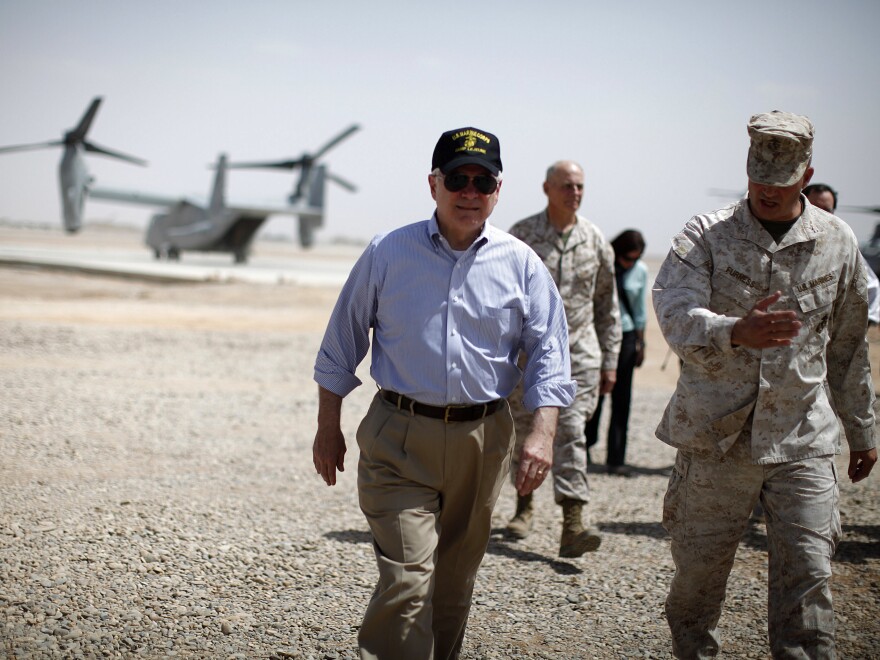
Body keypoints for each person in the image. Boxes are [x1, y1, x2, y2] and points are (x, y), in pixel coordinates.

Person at [312, 127, 576, 660]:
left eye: (483, 181)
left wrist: (542, 435)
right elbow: (342, 340)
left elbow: (550, 353)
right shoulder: (388, 252)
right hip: (398, 438)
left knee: (453, 587)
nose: (470, 191)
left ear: (498, 190)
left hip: (485, 440)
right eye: (458, 177)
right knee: (409, 581)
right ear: (433, 183)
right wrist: (326, 427)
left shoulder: (521, 262)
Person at [653, 110, 877, 658]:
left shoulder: (837, 240)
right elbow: (674, 313)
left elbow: (848, 346)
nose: (767, 194)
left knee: (809, 577)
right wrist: (736, 331)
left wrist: (862, 428)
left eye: (780, 184)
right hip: (717, 438)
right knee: (698, 580)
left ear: (806, 175)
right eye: (758, 182)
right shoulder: (705, 235)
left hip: (803, 436)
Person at [505, 160, 621, 556]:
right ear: (547, 188)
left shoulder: (595, 240)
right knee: (523, 433)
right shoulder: (521, 237)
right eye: (567, 186)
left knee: (569, 432)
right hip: (527, 355)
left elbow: (607, 304)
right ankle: (523, 507)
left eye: (580, 186)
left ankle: (574, 521)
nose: (575, 193)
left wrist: (610, 359)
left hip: (578, 355)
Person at [585, 229, 648, 476]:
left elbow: (640, 309)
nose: (630, 264)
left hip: (627, 337)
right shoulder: (602, 265)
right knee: (595, 394)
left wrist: (641, 344)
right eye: (626, 259)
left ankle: (616, 459)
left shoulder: (640, 271)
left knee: (622, 400)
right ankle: (586, 448)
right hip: (600, 335)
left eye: (635, 259)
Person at [803, 182, 880, 325]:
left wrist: (866, 321)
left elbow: (871, 286)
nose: (821, 215)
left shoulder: (843, 247)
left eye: (827, 210)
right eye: (814, 208)